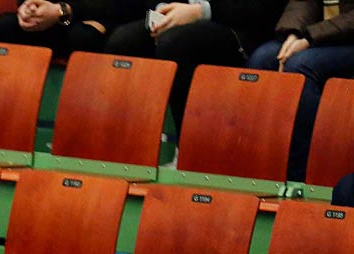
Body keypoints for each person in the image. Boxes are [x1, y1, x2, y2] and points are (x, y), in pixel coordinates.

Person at [104, 0, 288, 129]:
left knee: (176, 43)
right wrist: (164, 10)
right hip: (181, 17)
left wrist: (201, 11)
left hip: (235, 27)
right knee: (123, 41)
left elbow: (264, 8)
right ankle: (130, 145)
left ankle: (186, 148)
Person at [248, 1, 354, 182]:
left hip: (345, 40)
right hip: (319, 37)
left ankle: (299, 175)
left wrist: (308, 38)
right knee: (263, 59)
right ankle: (259, 168)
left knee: (301, 66)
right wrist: (293, 34)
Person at [0, 0, 144, 54]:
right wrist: (29, 7)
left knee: (83, 36)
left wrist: (62, 11)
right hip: (53, 18)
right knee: (4, 26)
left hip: (93, 17)